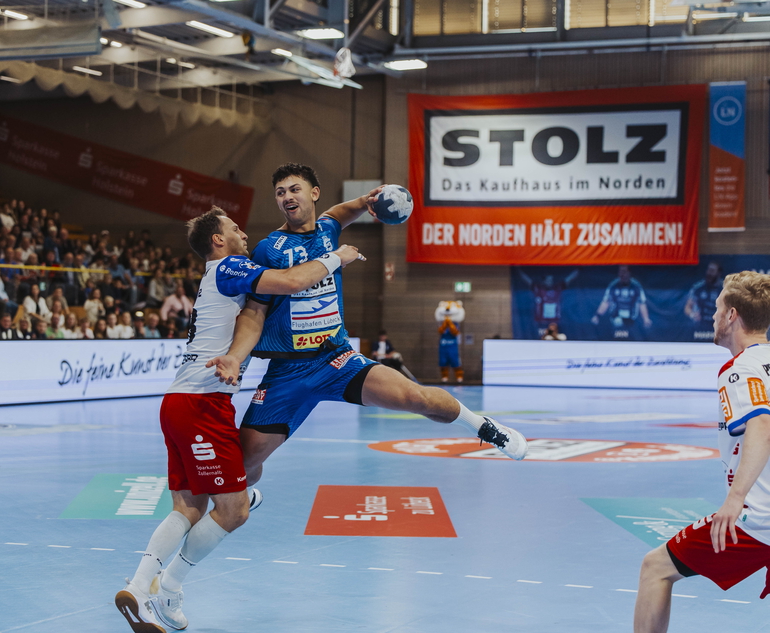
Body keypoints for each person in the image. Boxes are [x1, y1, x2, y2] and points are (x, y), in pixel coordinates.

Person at [115, 206, 364, 632]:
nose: (243, 233)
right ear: (218, 240)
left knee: (189, 507)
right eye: (233, 228)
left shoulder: (220, 277)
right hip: (202, 405)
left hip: (179, 402)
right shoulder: (229, 267)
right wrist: (337, 257)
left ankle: (152, 591)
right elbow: (292, 281)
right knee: (234, 511)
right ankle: (153, 588)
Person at [209, 163, 527, 497]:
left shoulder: (327, 231)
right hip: (288, 372)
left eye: (294, 189)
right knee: (244, 464)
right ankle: (248, 497)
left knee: (417, 397)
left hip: (337, 360)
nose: (287, 196)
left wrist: (365, 201)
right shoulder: (267, 249)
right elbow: (255, 312)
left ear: (314, 193)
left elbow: (337, 214)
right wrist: (235, 357)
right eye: (280, 192)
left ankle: (485, 427)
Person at [635, 271, 770, 632]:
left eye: (717, 307)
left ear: (732, 315)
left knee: (655, 567)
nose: (712, 315)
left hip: (760, 519)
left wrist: (735, 499)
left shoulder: (739, 369)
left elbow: (762, 424)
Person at [591, 265, 653, 339]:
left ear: (629, 273)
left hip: (632, 320)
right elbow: (606, 302)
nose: (623, 274)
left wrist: (646, 319)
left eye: (624, 272)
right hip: (615, 319)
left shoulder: (636, 286)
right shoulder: (613, 286)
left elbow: (642, 303)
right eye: (621, 272)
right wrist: (597, 316)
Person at [685, 261, 724, 341]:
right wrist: (693, 315)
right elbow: (687, 308)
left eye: (712, 271)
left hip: (719, 327)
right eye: (708, 270)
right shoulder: (698, 288)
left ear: (718, 273)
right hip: (700, 327)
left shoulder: (725, 288)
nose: (709, 273)